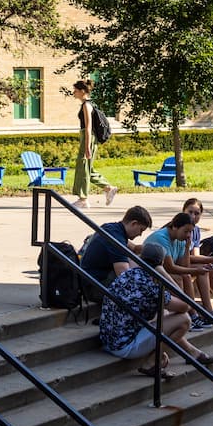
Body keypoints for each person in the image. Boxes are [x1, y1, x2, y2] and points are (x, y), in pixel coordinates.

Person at [97, 241, 213, 379]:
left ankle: (192, 352)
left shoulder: (128, 273)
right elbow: (186, 305)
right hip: (123, 345)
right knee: (183, 320)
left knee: (165, 313)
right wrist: (165, 275)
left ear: (141, 258)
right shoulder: (151, 287)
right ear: (160, 264)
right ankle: (151, 364)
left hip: (109, 337)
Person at [144, 211, 213, 329]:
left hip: (167, 272)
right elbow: (171, 267)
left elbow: (184, 265)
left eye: (190, 232)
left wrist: (186, 247)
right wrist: (196, 271)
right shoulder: (162, 237)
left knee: (201, 271)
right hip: (152, 275)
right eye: (186, 231)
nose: (189, 235)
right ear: (175, 227)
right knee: (184, 276)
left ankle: (208, 312)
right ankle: (192, 315)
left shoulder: (180, 239)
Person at [69, 79, 118, 207]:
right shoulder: (88, 104)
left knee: (83, 167)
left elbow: (88, 126)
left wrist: (87, 147)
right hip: (87, 137)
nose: (74, 92)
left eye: (75, 90)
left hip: (88, 138)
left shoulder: (86, 105)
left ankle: (83, 199)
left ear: (82, 91)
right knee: (86, 168)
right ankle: (108, 189)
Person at [78, 205, 153, 287]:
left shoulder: (112, 228)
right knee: (142, 269)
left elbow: (135, 248)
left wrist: (154, 251)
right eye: (141, 230)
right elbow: (124, 277)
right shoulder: (116, 240)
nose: (140, 234)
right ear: (133, 223)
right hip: (96, 285)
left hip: (88, 278)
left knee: (144, 261)